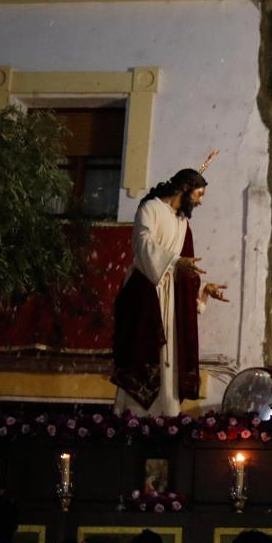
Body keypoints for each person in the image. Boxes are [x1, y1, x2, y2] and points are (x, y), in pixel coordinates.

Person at [112, 167, 228, 416]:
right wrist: (175, 262)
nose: (200, 201)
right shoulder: (150, 209)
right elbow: (143, 246)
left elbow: (186, 269)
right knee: (146, 355)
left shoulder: (182, 223)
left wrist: (204, 291)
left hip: (171, 299)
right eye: (199, 194)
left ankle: (166, 418)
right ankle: (135, 418)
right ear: (185, 189)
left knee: (169, 362)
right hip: (146, 295)